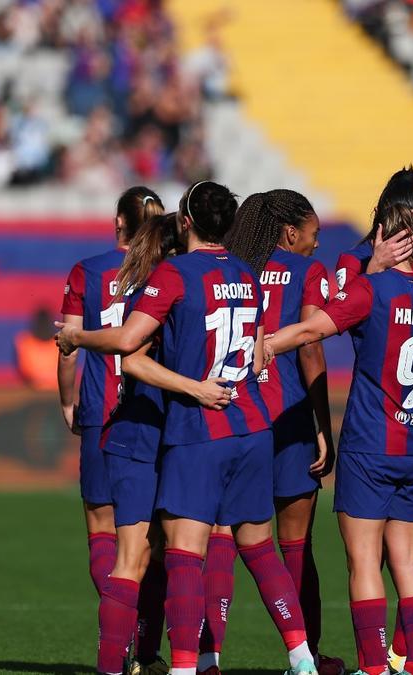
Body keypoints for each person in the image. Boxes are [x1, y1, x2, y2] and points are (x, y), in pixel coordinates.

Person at [55, 181, 316, 675]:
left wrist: (75, 338)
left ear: (186, 222)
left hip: (179, 430)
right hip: (248, 424)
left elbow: (129, 351)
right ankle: (295, 656)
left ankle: (162, 665)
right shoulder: (247, 273)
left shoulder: (169, 276)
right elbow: (261, 350)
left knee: (164, 556)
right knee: (255, 546)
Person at [264, 203, 413, 675]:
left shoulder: (371, 289)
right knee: (405, 557)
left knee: (364, 560)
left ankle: (373, 667)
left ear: (384, 237)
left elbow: (311, 329)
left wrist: (264, 345)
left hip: (371, 442)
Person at [88, 212, 231, 675]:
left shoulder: (146, 289)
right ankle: (188, 663)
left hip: (148, 434)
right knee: (176, 555)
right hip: (162, 435)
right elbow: (133, 360)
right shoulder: (177, 293)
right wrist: (197, 389)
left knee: (148, 557)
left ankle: (143, 661)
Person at [333, 165, 413, 673]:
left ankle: (384, 662)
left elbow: (327, 316)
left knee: (393, 549)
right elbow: (342, 309)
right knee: (407, 548)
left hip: (386, 423)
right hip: (406, 418)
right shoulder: (359, 258)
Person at [222, 189, 343, 675]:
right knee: (295, 546)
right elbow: (311, 347)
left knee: (219, 544)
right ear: (291, 232)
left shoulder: (234, 266)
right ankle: (305, 657)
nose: (316, 245)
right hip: (289, 416)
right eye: (313, 235)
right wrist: (323, 427)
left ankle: (203, 656)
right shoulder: (308, 272)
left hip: (233, 416)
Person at [58, 185, 163, 607]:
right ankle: (149, 643)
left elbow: (68, 347)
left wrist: (68, 403)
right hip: (154, 416)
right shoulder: (166, 272)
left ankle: (120, 634)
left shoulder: (88, 271)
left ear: (119, 222)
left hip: (102, 413)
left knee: (102, 532)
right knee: (152, 538)